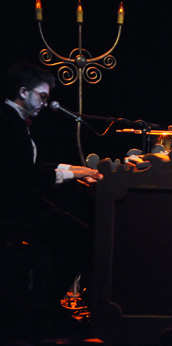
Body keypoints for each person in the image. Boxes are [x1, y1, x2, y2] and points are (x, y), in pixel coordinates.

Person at [0, 63, 101, 341]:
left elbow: (30, 165)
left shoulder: (14, 119)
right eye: (42, 96)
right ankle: (44, 311)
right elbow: (23, 175)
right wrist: (70, 173)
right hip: (13, 208)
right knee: (78, 237)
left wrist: (74, 169)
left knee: (73, 230)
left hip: (21, 202)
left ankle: (44, 307)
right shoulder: (7, 122)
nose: (46, 103)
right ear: (23, 92)